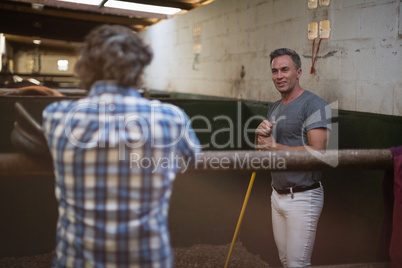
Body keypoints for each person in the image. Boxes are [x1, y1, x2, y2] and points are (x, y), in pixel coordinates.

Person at [42, 24, 201, 267]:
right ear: (139, 72)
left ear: (85, 69)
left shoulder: (56, 116)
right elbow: (193, 158)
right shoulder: (171, 117)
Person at [255, 48, 331, 267]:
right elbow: (264, 150)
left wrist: (275, 146)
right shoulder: (274, 107)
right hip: (277, 195)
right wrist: (259, 138)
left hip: (303, 196)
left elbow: (319, 151)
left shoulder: (314, 105)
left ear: (298, 72)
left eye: (285, 69)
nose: (279, 76)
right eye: (275, 71)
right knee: (286, 260)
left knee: (297, 263)